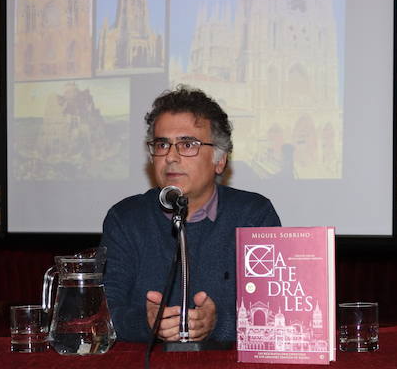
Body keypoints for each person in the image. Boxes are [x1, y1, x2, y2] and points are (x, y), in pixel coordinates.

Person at [100, 86, 281, 343]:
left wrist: (218, 323)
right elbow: (102, 312)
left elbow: (275, 312)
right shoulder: (126, 218)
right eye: (162, 144)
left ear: (219, 160)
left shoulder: (253, 215)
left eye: (187, 144)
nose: (171, 157)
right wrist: (146, 322)